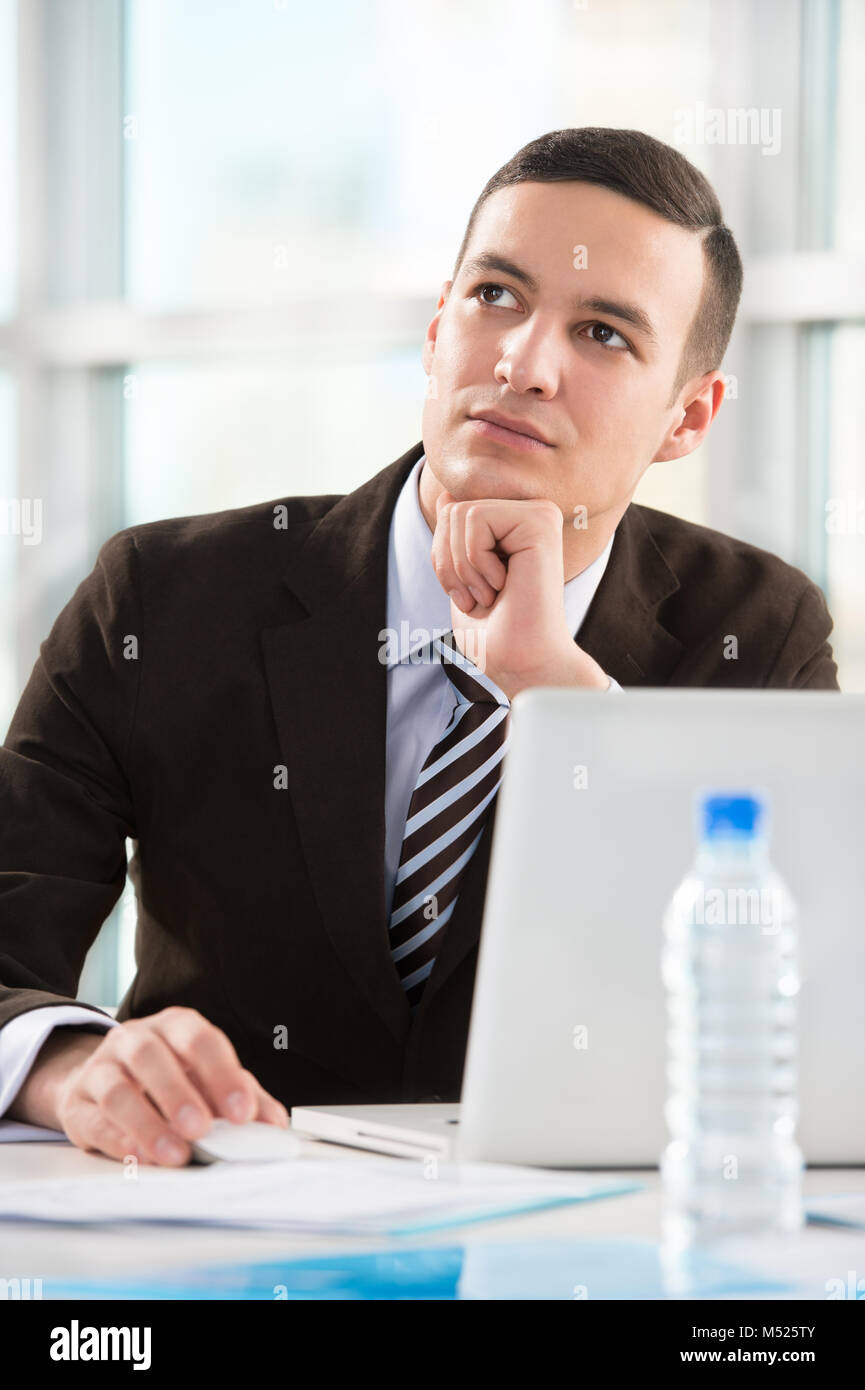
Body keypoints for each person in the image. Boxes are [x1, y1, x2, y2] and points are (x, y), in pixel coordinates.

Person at [0, 128, 838, 1168]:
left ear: (686, 417)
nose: (524, 364)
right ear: (439, 328)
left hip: (578, 1254)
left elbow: (803, 1004)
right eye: (495, 297)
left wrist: (564, 703)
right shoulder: (163, 598)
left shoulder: (755, 632)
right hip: (222, 1229)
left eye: (605, 335)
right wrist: (70, 1062)